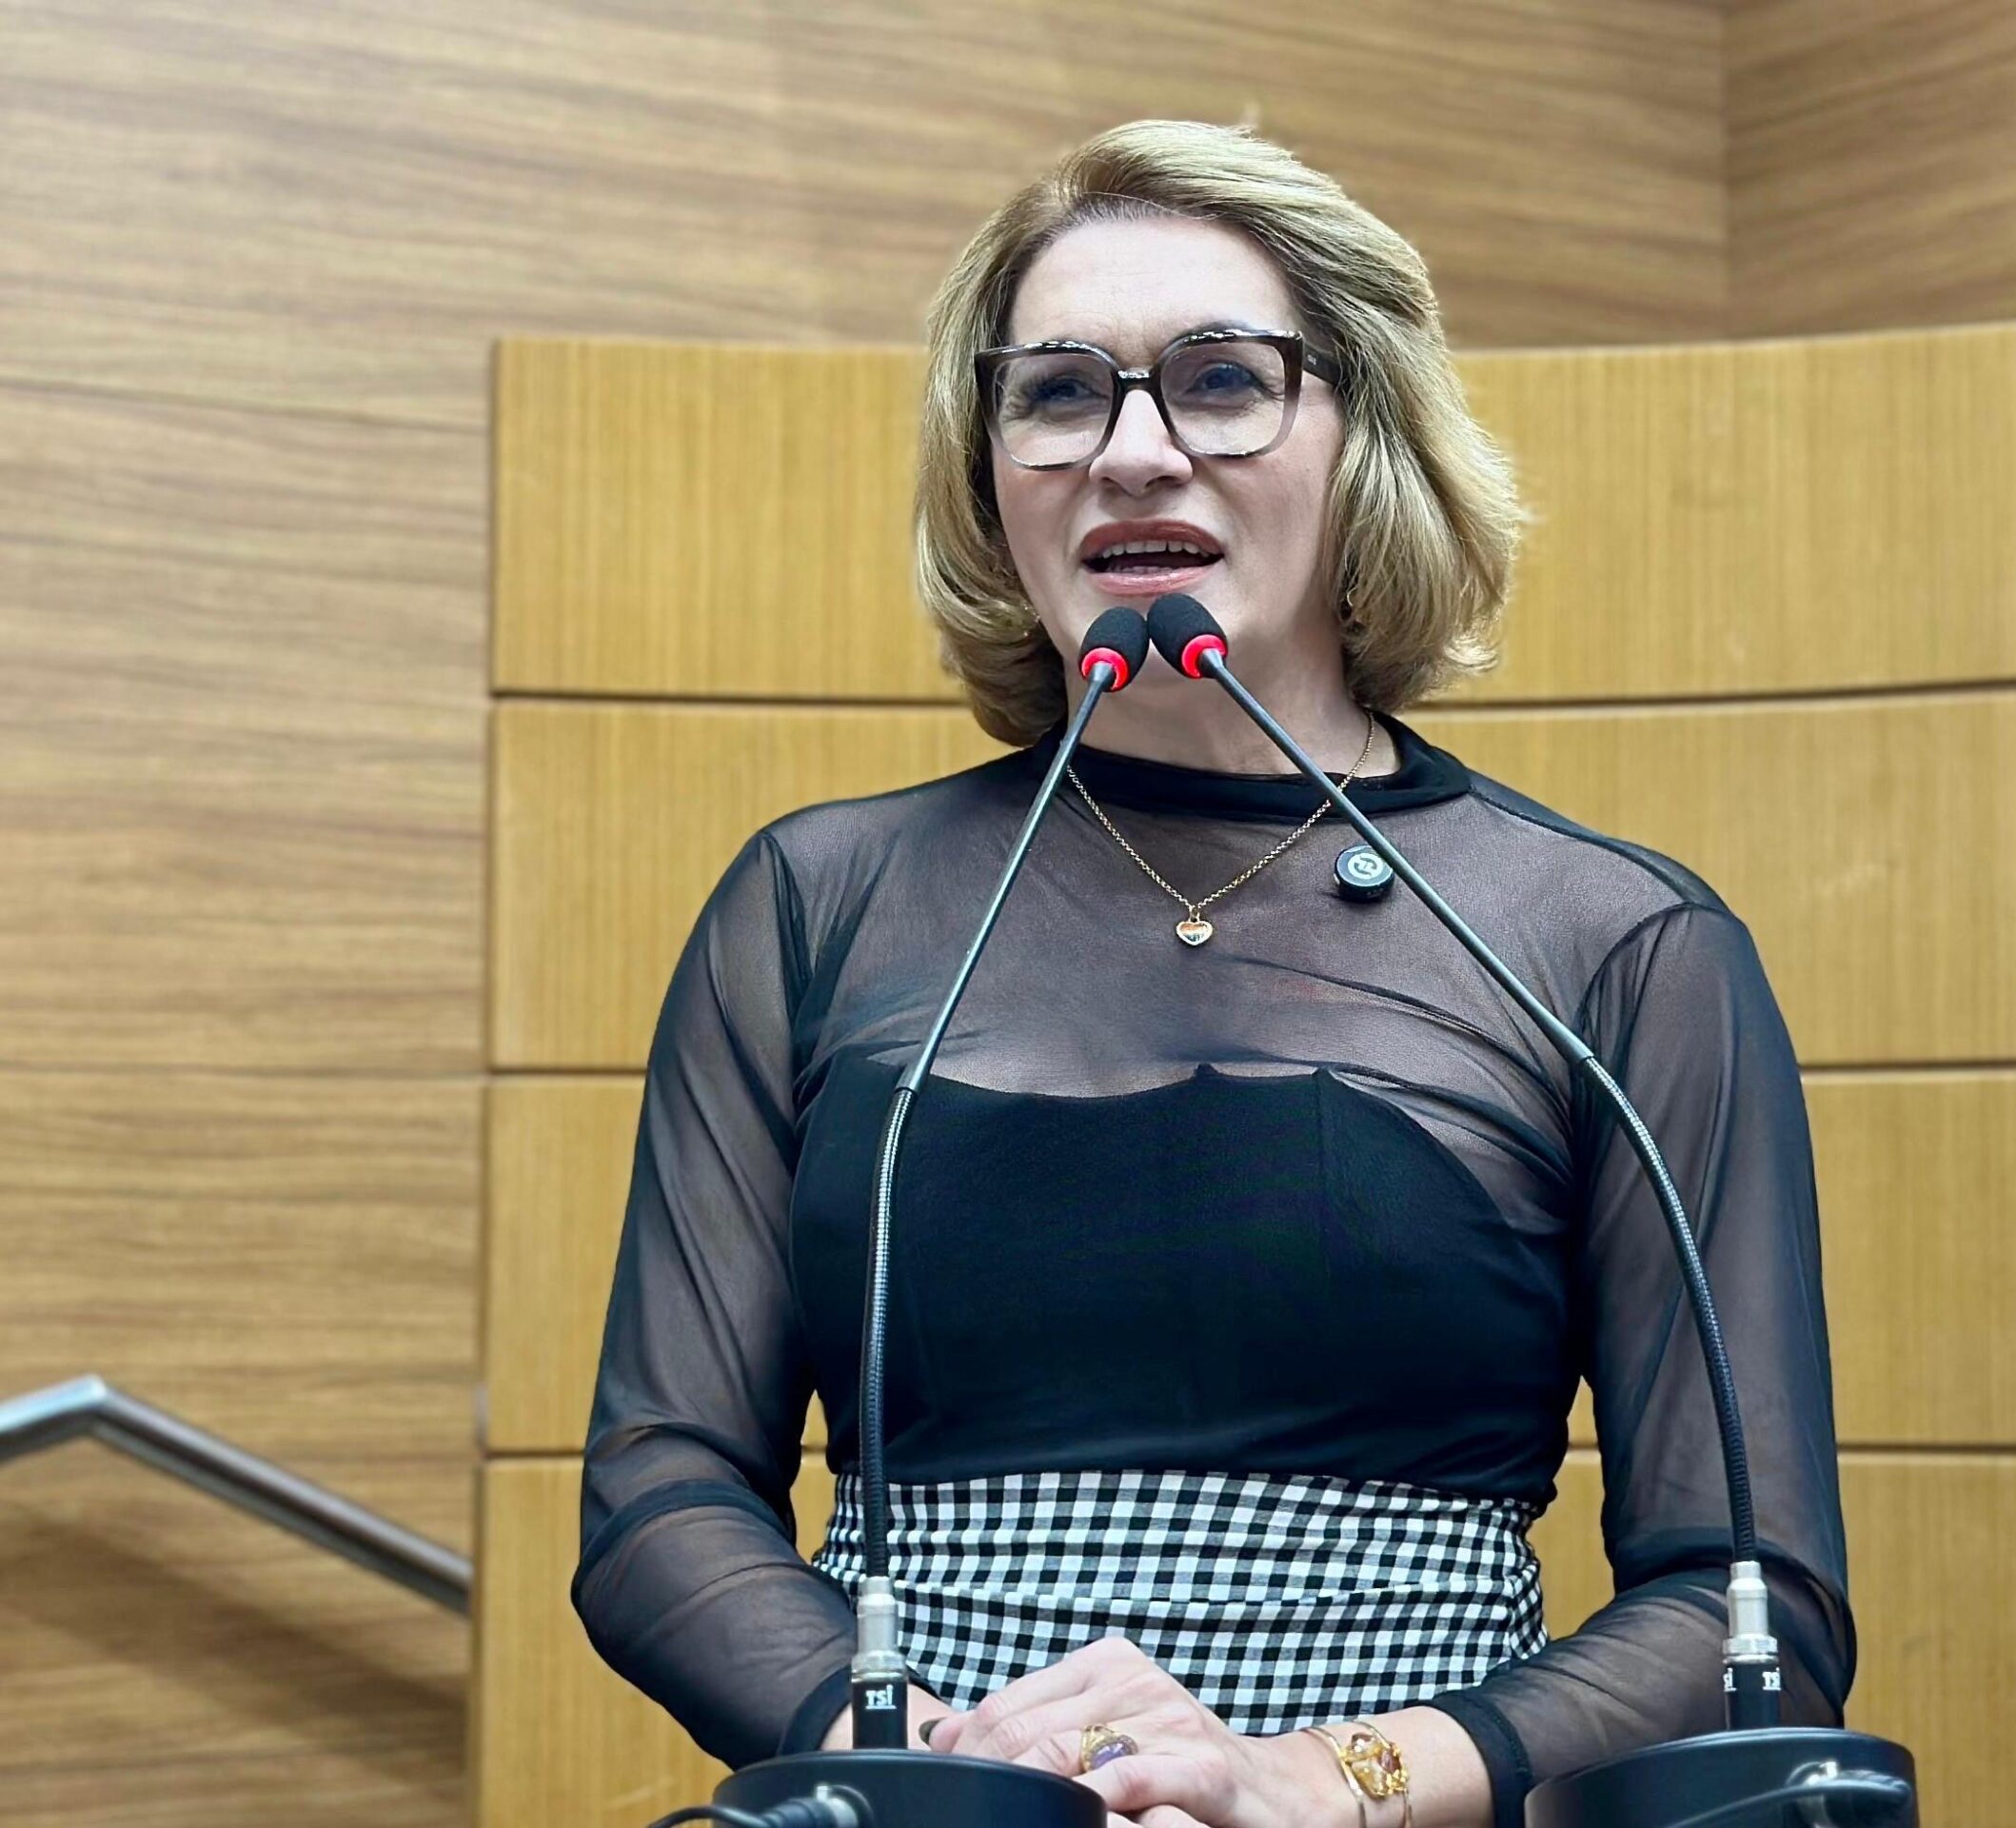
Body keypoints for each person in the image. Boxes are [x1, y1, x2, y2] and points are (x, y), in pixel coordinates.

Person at [571, 119, 1853, 1828]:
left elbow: (1755, 1607)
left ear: (1364, 444)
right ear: (990, 472)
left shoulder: (1609, 943)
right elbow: (658, 1498)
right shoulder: (816, 903)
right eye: (1058, 393)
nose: (1133, 451)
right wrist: (956, 1764)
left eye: (1224, 381)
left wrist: (1326, 1780)